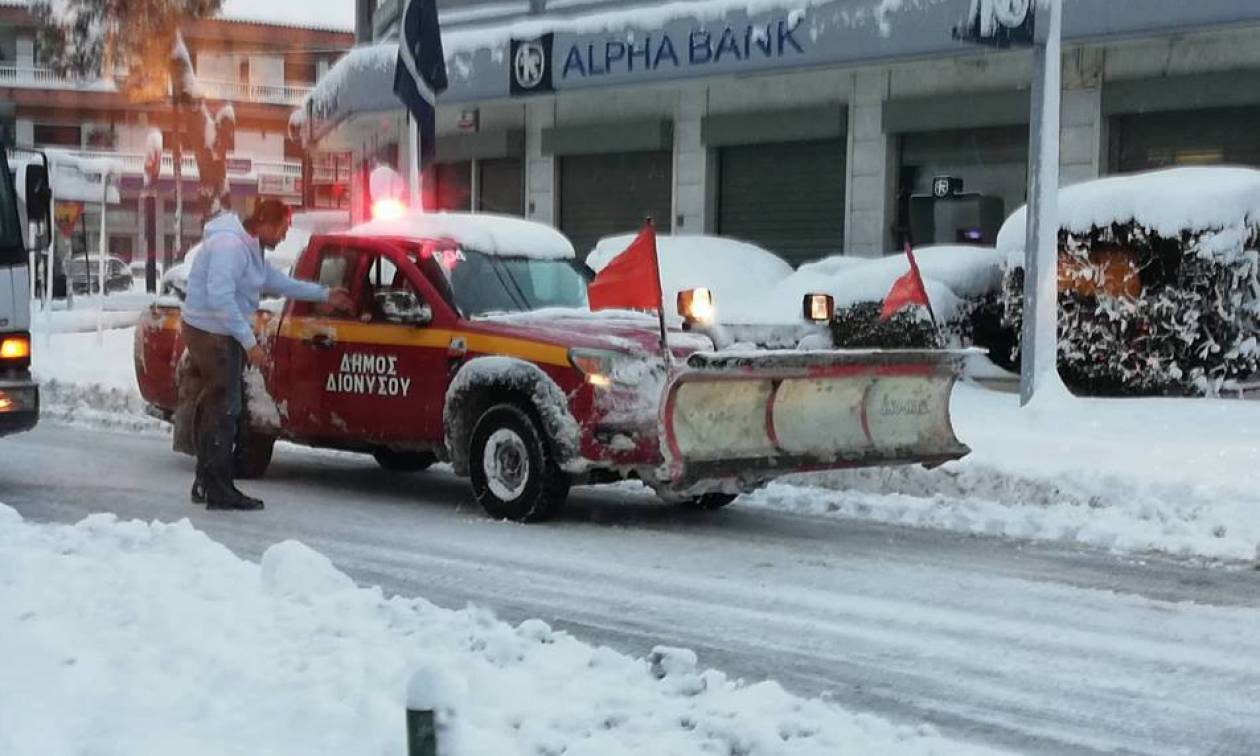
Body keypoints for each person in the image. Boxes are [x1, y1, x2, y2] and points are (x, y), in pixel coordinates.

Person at [175, 200, 351, 510]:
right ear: (265, 224)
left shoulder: (250, 247)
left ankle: (206, 483)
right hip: (211, 332)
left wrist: (325, 295)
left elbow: (276, 282)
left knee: (220, 407)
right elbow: (220, 297)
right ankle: (218, 489)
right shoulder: (230, 246)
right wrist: (248, 342)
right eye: (282, 228)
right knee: (225, 410)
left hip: (220, 330)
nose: (284, 235)